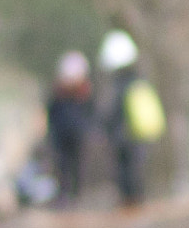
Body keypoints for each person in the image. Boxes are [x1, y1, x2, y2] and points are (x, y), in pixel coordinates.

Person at [97, 29, 149, 208]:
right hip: (136, 133)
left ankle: (130, 201)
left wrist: (105, 126)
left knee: (125, 168)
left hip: (123, 133)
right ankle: (135, 199)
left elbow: (112, 111)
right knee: (134, 167)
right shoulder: (138, 80)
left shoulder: (119, 85)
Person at [45, 50, 94, 206]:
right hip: (61, 134)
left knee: (78, 164)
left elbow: (90, 112)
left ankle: (77, 194)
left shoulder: (84, 92)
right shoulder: (58, 93)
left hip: (77, 133)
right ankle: (64, 194)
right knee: (62, 165)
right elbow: (51, 112)